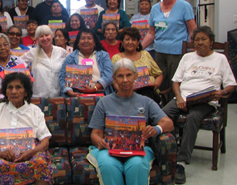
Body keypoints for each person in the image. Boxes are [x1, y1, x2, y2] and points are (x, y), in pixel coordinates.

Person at [162, 26, 236, 184]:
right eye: (197, 40)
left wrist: (221, 93)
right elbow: (175, 82)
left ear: (211, 41)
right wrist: (179, 97)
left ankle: (181, 162)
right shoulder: (188, 57)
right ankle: (167, 152)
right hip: (184, 98)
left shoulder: (220, 59)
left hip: (206, 100)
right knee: (162, 114)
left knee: (193, 117)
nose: (200, 42)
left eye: (203, 39)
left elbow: (231, 85)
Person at [88, 58, 174, 185]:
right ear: (114, 78)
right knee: (107, 164)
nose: (125, 80)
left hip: (137, 150)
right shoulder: (104, 102)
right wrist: (100, 141)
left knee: (137, 164)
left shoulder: (146, 101)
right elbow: (95, 134)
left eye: (129, 75)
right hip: (110, 150)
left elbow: (168, 123)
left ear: (135, 76)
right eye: (120, 76)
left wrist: (156, 129)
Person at [0, 72, 53, 185]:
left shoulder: (35, 111)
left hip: (30, 151)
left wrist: (31, 152)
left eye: (18, 87)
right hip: (2, 152)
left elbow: (45, 141)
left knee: (40, 163)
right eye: (10, 87)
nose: (13, 91)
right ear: (5, 92)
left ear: (26, 92)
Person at [141, 0, 196, 93]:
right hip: (160, 52)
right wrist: (139, 48)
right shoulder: (155, 9)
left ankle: (176, 107)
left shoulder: (184, 6)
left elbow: (192, 30)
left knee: (175, 83)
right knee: (161, 83)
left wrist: (193, 50)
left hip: (178, 52)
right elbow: (151, 33)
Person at [112, 27, 163, 103]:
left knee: (146, 94)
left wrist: (155, 84)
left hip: (149, 91)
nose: (130, 42)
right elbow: (114, 80)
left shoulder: (145, 54)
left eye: (133, 39)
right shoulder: (116, 58)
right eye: (127, 39)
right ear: (122, 42)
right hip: (127, 92)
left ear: (138, 42)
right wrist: (122, 92)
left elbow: (159, 74)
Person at [59, 28, 114, 96]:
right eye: (83, 38)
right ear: (78, 42)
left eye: (89, 38)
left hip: (100, 93)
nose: (86, 41)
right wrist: (70, 92)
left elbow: (109, 75)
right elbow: (62, 77)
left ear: (94, 42)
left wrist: (93, 88)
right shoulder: (70, 58)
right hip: (76, 95)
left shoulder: (103, 56)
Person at [21, 25, 66, 97]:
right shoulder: (33, 52)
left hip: (57, 96)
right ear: (37, 39)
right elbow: (17, 63)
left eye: (47, 35)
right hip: (37, 96)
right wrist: (28, 76)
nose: (45, 38)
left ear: (52, 36)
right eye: (41, 36)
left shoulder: (61, 52)